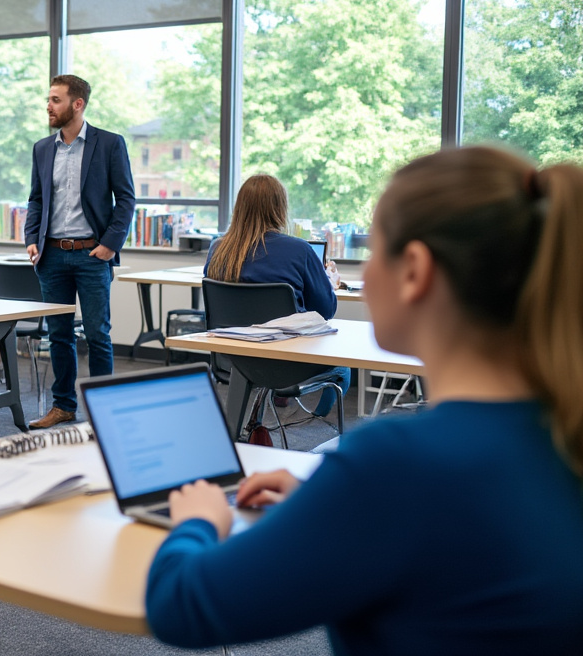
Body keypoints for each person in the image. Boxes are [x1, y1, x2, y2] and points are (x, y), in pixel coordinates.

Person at [146, 147, 583, 654]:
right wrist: (331, 503)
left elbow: (180, 605)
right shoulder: (560, 430)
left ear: (415, 270)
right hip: (302, 375)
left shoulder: (396, 463)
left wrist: (199, 517)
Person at [23, 74, 136, 429]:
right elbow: (36, 199)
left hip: (91, 255)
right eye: (48, 99)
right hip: (52, 256)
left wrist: (108, 245)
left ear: (77, 104)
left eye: (55, 100)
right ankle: (63, 406)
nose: (48, 106)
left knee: (98, 334)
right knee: (58, 334)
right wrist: (31, 237)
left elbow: (126, 199)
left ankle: (106, 411)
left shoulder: (109, 144)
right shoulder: (43, 148)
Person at [203, 173, 350, 416]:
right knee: (343, 368)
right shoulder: (300, 250)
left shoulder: (218, 249)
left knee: (253, 361)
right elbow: (325, 312)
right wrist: (329, 283)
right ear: (280, 208)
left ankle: (240, 429)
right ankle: (316, 427)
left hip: (233, 358)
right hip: (289, 363)